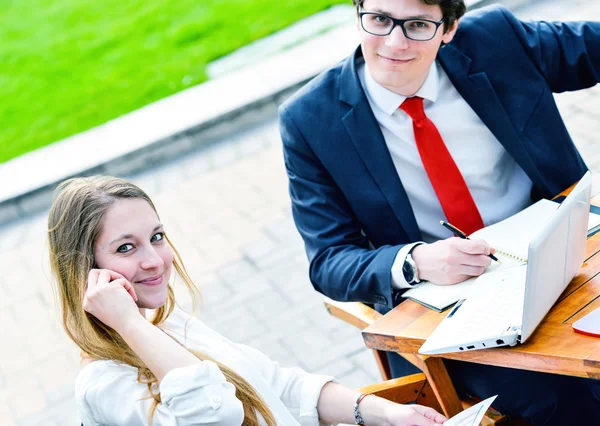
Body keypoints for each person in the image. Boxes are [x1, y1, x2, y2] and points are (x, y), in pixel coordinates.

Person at [279, 0, 600, 424]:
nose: (394, 42)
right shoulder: (309, 120)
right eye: (378, 20)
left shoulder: (495, 40)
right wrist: (414, 261)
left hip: (567, 261)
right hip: (453, 316)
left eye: (416, 25)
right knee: (566, 397)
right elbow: (329, 262)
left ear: (449, 28)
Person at [47, 175, 447, 426]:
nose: (154, 260)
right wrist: (130, 324)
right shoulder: (105, 385)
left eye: (156, 237)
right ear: (86, 271)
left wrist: (386, 413)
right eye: (125, 248)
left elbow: (277, 386)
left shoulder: (166, 323)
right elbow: (214, 415)